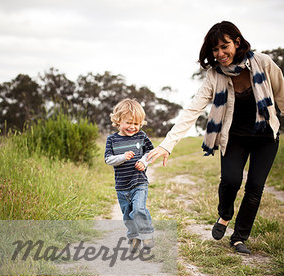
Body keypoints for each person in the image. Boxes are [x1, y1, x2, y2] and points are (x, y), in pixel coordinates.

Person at [147, 21, 284, 255]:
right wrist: (167, 145)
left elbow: (282, 95)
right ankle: (225, 214)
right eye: (215, 49)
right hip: (234, 138)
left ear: (237, 42)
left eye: (224, 46)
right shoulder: (214, 76)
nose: (220, 54)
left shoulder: (263, 63)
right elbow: (192, 110)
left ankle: (239, 237)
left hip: (264, 137)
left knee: (255, 188)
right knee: (230, 180)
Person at [105, 98, 154, 252]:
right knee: (127, 215)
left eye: (137, 124)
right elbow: (108, 159)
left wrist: (144, 162)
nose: (133, 127)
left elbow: (150, 152)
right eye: (129, 123)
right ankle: (133, 237)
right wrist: (122, 157)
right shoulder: (112, 140)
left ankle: (147, 234)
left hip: (139, 182)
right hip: (121, 186)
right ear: (118, 120)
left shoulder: (141, 136)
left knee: (138, 209)